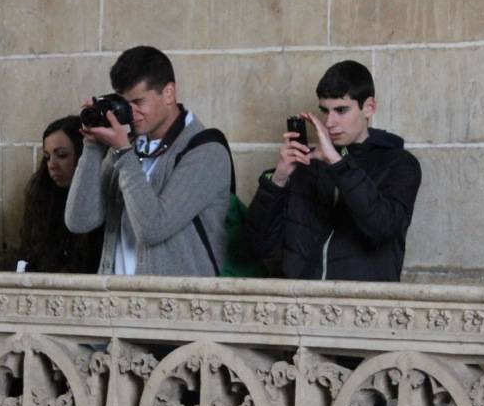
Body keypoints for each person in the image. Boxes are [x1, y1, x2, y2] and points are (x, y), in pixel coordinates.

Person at [245, 60, 421, 282]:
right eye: (325, 111)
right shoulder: (307, 165)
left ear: (369, 107)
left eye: (341, 110)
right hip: (301, 306)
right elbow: (257, 246)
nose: (330, 122)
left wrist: (339, 164)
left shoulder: (400, 164)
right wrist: (278, 179)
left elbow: (382, 228)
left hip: (362, 307)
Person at [64, 46, 231, 276]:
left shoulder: (207, 151)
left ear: (169, 93)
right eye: (124, 104)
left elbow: (153, 228)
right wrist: (93, 148)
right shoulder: (130, 147)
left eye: (139, 102)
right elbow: (79, 221)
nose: (131, 113)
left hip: (173, 306)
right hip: (116, 302)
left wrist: (123, 152)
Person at [18, 115, 102, 273]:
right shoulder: (43, 199)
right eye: (47, 157)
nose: (52, 165)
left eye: (62, 155)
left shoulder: (98, 200)